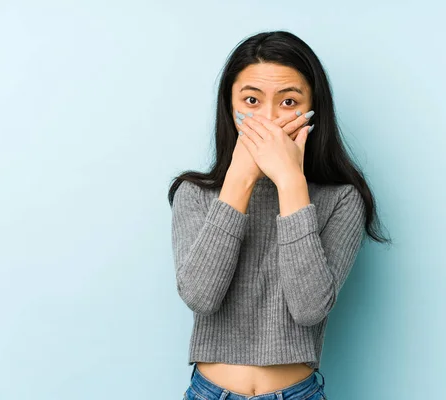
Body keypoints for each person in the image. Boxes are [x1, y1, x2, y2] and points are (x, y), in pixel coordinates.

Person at [168, 30, 391, 400]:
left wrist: (291, 182)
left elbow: (309, 308)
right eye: (251, 100)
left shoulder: (341, 200)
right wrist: (239, 180)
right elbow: (200, 296)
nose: (268, 119)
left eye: (288, 102)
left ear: (313, 108)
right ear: (229, 106)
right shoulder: (195, 195)